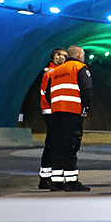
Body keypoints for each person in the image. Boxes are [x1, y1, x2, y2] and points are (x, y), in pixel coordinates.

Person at [41, 45, 92, 191]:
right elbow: (87, 89)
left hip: (56, 113)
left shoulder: (56, 71)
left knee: (58, 146)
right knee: (71, 145)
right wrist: (84, 108)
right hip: (73, 113)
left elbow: (47, 93)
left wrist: (56, 105)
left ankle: (56, 182)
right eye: (83, 55)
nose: (84, 58)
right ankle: (71, 181)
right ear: (79, 56)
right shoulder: (79, 68)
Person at [36, 48, 66, 189]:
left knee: (53, 144)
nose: (65, 59)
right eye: (63, 56)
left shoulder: (52, 72)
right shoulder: (52, 73)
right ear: (56, 56)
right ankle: (46, 177)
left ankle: (47, 176)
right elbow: (50, 93)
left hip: (50, 111)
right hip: (52, 112)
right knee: (53, 144)